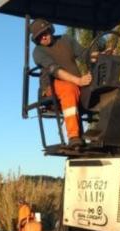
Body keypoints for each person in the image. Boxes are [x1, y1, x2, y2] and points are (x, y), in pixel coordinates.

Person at [30, 18, 93, 149]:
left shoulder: (66, 39)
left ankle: (102, 134)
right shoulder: (38, 52)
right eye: (39, 37)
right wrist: (78, 81)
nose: (43, 37)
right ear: (36, 40)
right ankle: (73, 136)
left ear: (50, 30)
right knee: (69, 88)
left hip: (77, 84)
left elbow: (85, 55)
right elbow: (55, 70)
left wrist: (100, 55)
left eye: (44, 33)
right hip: (52, 86)